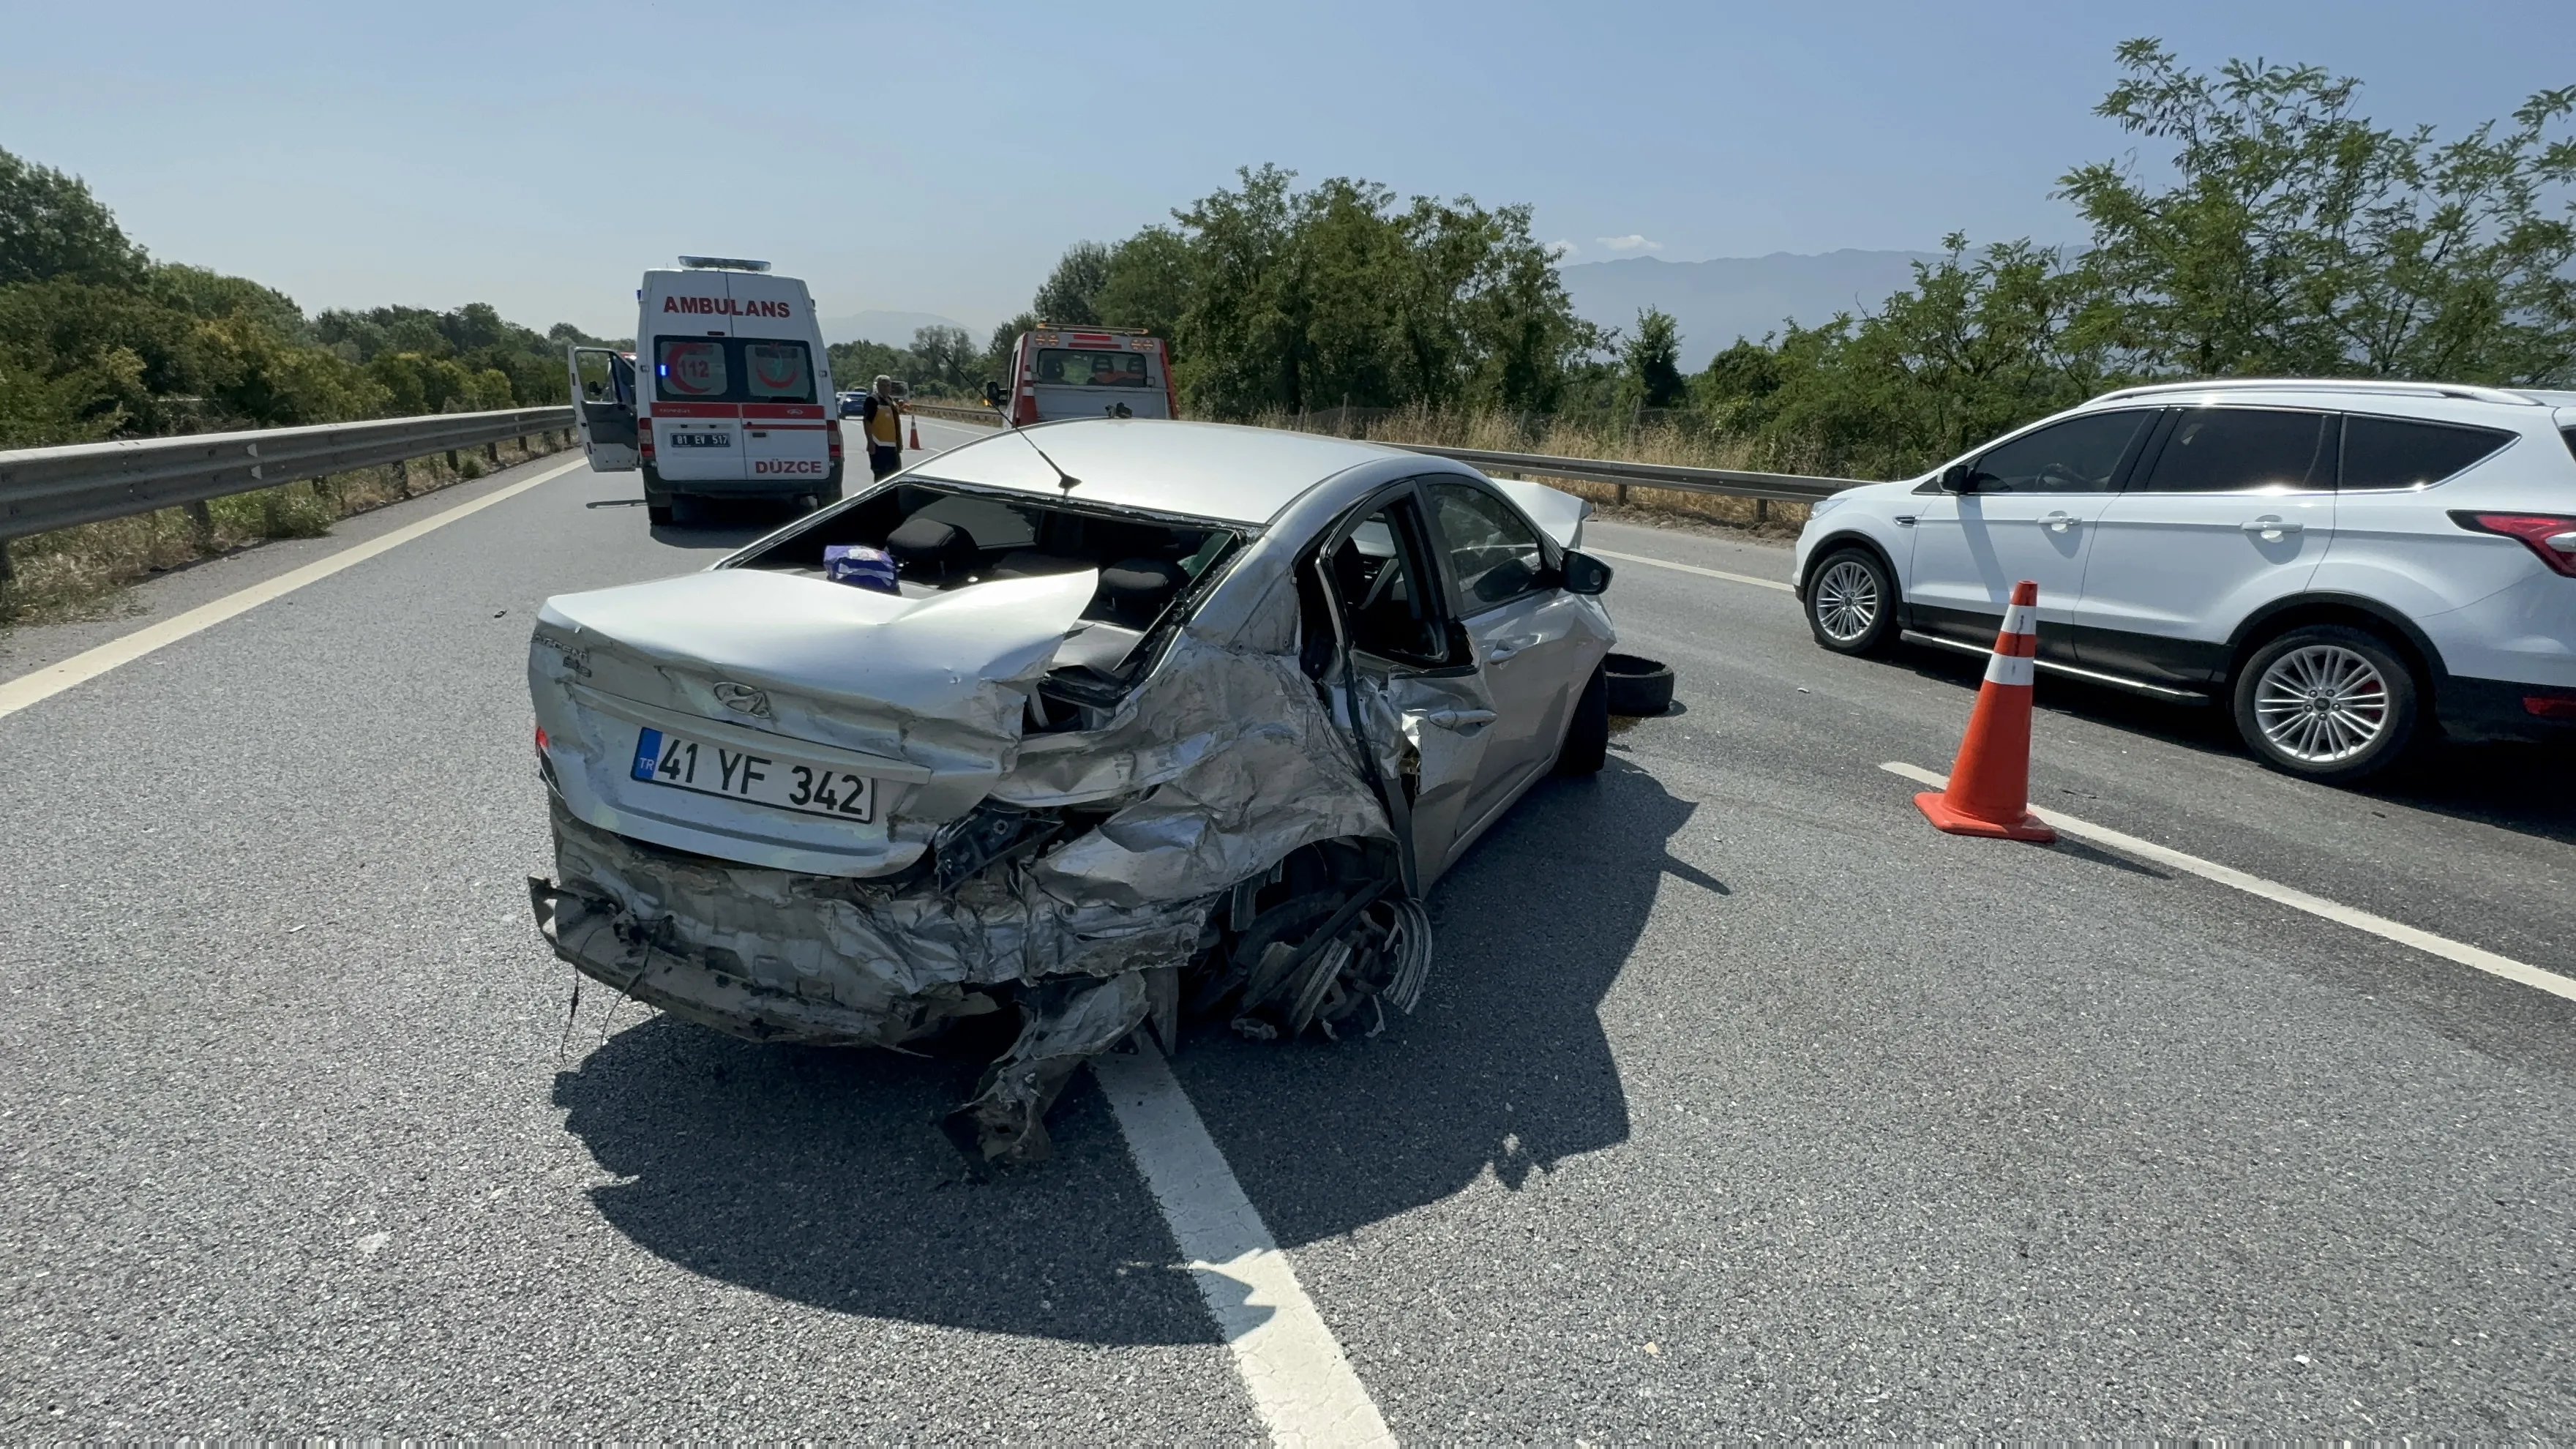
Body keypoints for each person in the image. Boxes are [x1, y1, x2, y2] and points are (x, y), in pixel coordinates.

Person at [858, 375, 905, 480]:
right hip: (879, 447)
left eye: (888, 385)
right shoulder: (873, 400)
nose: (886, 388)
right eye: (883, 385)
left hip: (893, 448)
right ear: (878, 386)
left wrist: (899, 443)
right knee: (881, 478)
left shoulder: (890, 401)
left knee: (894, 477)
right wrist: (870, 442)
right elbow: (867, 421)